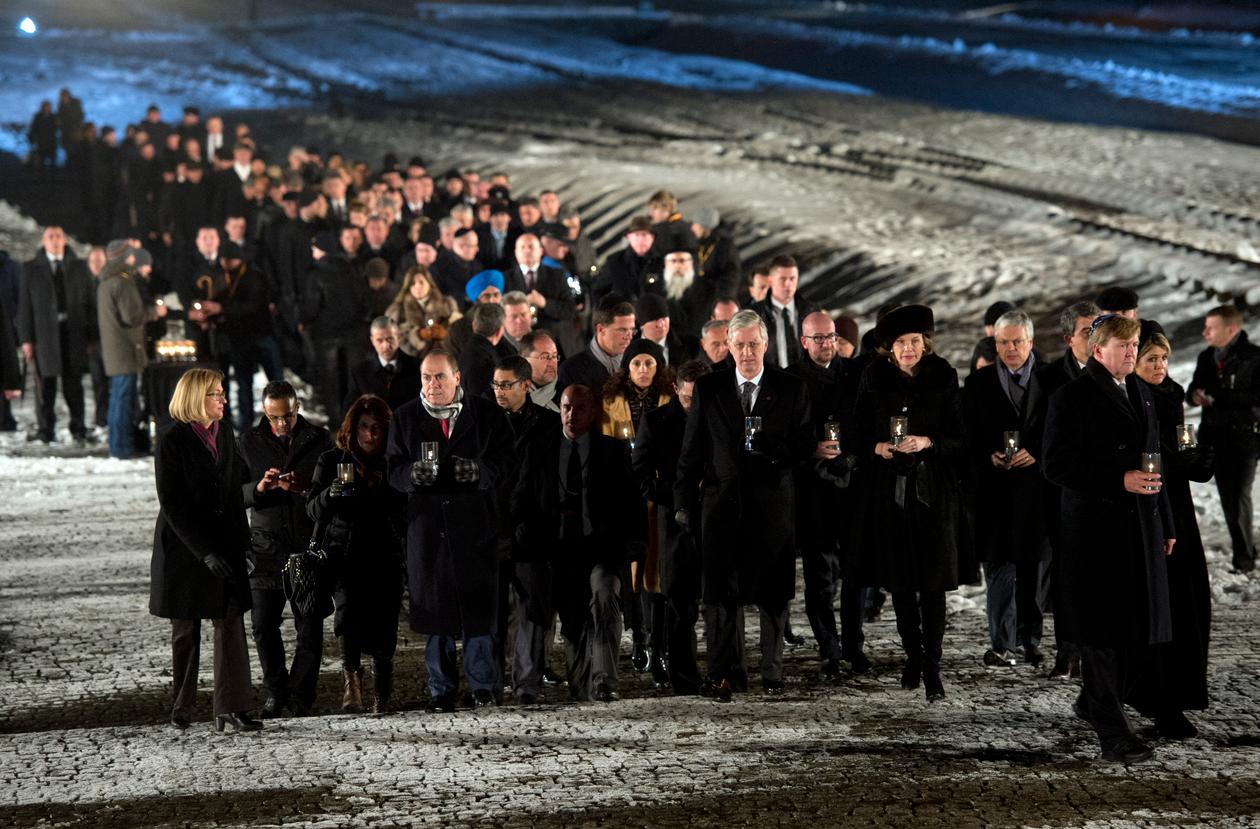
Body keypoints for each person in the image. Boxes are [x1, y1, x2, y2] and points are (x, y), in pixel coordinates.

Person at [1042, 313, 1174, 764]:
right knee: (1099, 633)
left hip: (1139, 527)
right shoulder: (1071, 397)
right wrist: (1119, 479)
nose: (1132, 352)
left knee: (1132, 631)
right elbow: (1056, 466)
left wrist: (1165, 523)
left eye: (1135, 344)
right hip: (1094, 535)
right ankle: (1113, 735)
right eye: (1124, 346)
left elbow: (1155, 462)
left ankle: (1094, 703)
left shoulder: (1142, 392)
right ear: (1098, 350)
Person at [675, 310, 814, 700]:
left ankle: (772, 671)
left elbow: (805, 445)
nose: (748, 352)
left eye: (754, 344)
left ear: (766, 345)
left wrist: (774, 448)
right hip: (721, 509)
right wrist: (683, 501)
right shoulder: (710, 388)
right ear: (728, 348)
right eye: (740, 345)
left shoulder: (791, 388)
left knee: (772, 594)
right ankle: (722, 673)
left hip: (771, 508)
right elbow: (692, 451)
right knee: (720, 596)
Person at [852, 304, 974, 703]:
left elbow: (960, 438)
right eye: (902, 343)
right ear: (890, 347)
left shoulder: (943, 375)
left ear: (926, 343)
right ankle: (913, 657)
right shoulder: (873, 376)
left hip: (933, 491)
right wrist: (878, 448)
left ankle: (933, 667)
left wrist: (929, 443)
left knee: (933, 582)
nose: (909, 349)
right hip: (891, 492)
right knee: (901, 582)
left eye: (915, 342)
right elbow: (856, 434)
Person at [386, 349, 515, 711]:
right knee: (437, 615)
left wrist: (478, 473)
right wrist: (411, 475)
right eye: (426, 378)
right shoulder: (406, 417)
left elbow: (507, 462)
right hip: (429, 532)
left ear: (457, 377)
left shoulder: (486, 414)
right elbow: (392, 469)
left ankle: (483, 686)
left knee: (477, 614)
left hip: (475, 529)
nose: (432, 385)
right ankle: (440, 689)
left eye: (439, 377)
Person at [513, 384, 642, 701]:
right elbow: (521, 498)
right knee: (535, 605)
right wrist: (522, 534)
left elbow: (630, 505)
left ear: (593, 411)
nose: (571, 415)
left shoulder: (612, 451)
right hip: (549, 548)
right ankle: (528, 683)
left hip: (597, 549)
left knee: (603, 594)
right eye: (567, 408)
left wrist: (628, 547)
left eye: (579, 408)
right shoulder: (540, 447)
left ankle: (605, 680)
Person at [149, 367, 260, 732]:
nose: (223, 400)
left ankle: (234, 703)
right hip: (185, 547)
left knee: (230, 622)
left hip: (225, 540)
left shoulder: (224, 432)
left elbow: (231, 491)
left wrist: (242, 544)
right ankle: (183, 703)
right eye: (216, 394)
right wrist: (204, 551)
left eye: (222, 393)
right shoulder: (172, 440)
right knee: (186, 629)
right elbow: (173, 504)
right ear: (197, 398)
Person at [1131, 323, 1212, 739]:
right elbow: (1149, 456)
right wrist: (1178, 461)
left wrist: (1195, 458)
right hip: (1151, 505)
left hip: (1177, 507)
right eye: (1151, 359)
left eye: (1163, 357)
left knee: (1189, 598)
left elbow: (1178, 453)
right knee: (1162, 603)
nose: (1160, 365)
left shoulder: (1171, 392)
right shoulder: (1132, 395)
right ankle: (1159, 700)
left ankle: (1178, 694)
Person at [962, 309, 1051, 668]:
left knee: (1033, 568)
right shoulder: (978, 383)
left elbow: (1061, 430)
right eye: (1003, 342)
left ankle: (1030, 640)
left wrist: (1038, 454)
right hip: (995, 490)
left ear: (1030, 342)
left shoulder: (1050, 380)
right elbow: (967, 435)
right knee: (999, 568)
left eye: (1017, 341)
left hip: (1036, 490)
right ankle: (1001, 642)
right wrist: (988, 456)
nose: (1010, 348)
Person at [238, 381, 333, 717]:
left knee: (309, 625)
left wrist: (304, 487)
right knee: (263, 625)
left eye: (287, 417)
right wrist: (260, 488)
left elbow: (331, 490)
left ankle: (300, 695)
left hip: (305, 546)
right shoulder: (250, 441)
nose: (281, 424)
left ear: (297, 408)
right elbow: (236, 493)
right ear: (265, 412)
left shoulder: (319, 439)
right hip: (266, 547)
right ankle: (276, 691)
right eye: (274, 417)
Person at [309, 394, 406, 714]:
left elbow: (404, 508)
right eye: (364, 427)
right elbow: (312, 508)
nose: (370, 434)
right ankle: (352, 684)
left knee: (385, 621)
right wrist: (330, 494)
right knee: (347, 618)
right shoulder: (333, 461)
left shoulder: (393, 462)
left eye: (377, 428)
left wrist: (385, 489)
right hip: (345, 553)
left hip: (384, 553)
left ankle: (384, 691)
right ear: (353, 428)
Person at [788, 311, 867, 678]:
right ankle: (829, 648)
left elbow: (867, 423)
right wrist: (811, 449)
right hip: (813, 491)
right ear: (804, 341)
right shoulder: (790, 379)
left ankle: (853, 645)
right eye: (818, 338)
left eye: (830, 337)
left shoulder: (854, 374)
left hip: (850, 486)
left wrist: (850, 455)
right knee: (819, 577)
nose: (826, 344)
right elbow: (785, 431)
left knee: (854, 573)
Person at [632, 359, 710, 693]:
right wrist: (678, 495)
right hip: (673, 521)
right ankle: (683, 676)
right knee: (679, 602)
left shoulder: (718, 416)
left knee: (716, 600)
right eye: (688, 398)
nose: (693, 406)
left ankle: (723, 670)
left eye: (699, 399)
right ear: (676, 389)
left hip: (714, 516)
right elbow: (641, 474)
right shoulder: (656, 421)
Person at [600, 339, 673, 684]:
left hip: (659, 497)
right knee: (632, 573)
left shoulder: (668, 400)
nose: (643, 370)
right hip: (625, 498)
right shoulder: (610, 402)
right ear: (626, 367)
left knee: (656, 578)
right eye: (636, 364)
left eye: (649, 363)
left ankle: (659, 647)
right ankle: (639, 640)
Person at [490, 356, 560, 703]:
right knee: (497, 609)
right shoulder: (485, 424)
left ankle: (527, 682)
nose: (499, 392)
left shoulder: (548, 425)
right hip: (494, 527)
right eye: (496, 385)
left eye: (506, 385)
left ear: (524, 385)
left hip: (533, 529)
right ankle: (493, 679)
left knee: (532, 608)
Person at [1036, 299, 1099, 680]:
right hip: (1060, 494)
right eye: (1086, 331)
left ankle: (1098, 652)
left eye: (1098, 330)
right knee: (1066, 576)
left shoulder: (1115, 374)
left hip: (1103, 492)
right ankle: (1067, 651)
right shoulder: (1047, 380)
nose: (1094, 339)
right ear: (1067, 338)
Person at [1186, 304, 1260, 574]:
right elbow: (1194, 386)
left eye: (1211, 327)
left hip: (1244, 440)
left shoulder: (1254, 358)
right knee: (1228, 497)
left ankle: (1244, 558)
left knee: (1238, 497)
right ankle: (1247, 550)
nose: (1205, 332)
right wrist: (1194, 394)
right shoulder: (1207, 356)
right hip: (1213, 439)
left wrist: (1219, 396)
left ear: (1231, 329)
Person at [18, 226, 94, 443]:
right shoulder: (31, 268)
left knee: (74, 386)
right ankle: (46, 430)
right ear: (44, 241)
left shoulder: (79, 267)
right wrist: (26, 340)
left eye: (58, 236)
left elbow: (89, 302)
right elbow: (25, 308)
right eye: (50, 237)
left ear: (65, 239)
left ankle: (78, 428)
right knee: (46, 388)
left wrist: (90, 336)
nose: (54, 240)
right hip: (44, 338)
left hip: (73, 335)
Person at [97, 240, 166, 459]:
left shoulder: (106, 281)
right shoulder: (124, 281)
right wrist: (156, 311)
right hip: (125, 349)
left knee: (118, 398)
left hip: (116, 350)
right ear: (126, 257)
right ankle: (122, 448)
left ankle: (118, 445)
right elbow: (132, 316)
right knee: (123, 400)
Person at [749, 255, 818, 370]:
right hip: (770, 381)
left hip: (806, 381)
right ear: (771, 280)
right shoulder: (754, 314)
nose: (788, 284)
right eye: (783, 279)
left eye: (792, 278)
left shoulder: (811, 310)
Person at [556, 298, 635, 395]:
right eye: (622, 330)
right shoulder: (570, 371)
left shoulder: (639, 364)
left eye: (631, 330)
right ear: (601, 329)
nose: (629, 337)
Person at [345, 317, 422, 412]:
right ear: (372, 341)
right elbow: (350, 411)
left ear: (398, 337)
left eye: (390, 339)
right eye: (379, 340)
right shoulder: (359, 373)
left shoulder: (418, 367)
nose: (385, 345)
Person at [386, 265, 461, 360]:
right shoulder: (398, 311)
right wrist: (418, 335)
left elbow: (460, 333)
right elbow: (395, 339)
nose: (417, 287)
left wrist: (445, 334)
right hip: (411, 362)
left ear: (429, 283)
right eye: (412, 284)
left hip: (445, 358)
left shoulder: (447, 305)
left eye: (421, 282)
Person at [591, 216, 663, 305]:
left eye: (644, 235)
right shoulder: (614, 262)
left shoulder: (663, 262)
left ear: (652, 238)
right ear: (629, 237)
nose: (640, 240)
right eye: (636, 235)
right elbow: (598, 291)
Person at [520, 330, 561, 412]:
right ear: (524, 360)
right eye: (545, 357)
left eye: (554, 356)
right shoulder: (510, 393)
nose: (552, 362)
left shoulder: (567, 394)